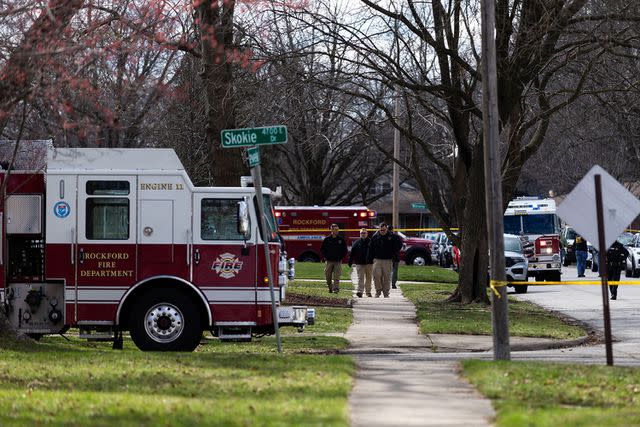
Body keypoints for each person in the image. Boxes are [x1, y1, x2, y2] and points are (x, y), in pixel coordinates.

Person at [367, 222, 400, 298]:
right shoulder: (375, 237)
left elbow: (397, 246)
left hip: (387, 260)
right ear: (379, 229)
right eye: (381, 230)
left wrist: (394, 256)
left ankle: (386, 293)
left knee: (386, 277)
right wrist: (369, 259)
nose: (382, 231)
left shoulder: (392, 237)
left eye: (384, 230)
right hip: (377, 260)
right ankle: (378, 292)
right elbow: (370, 249)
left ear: (386, 229)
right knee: (376, 276)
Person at [321, 223, 348, 293]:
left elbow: (345, 250)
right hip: (329, 261)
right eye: (335, 230)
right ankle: (330, 286)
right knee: (328, 276)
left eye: (337, 229)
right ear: (331, 230)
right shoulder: (327, 239)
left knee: (337, 276)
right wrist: (325, 257)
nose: (337, 231)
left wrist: (341, 257)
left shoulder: (341, 240)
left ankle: (336, 289)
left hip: (338, 261)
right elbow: (322, 250)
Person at [348, 228, 373, 298]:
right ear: (360, 234)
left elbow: (374, 252)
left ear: (367, 234)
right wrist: (350, 261)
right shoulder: (356, 242)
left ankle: (368, 292)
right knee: (360, 278)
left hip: (369, 264)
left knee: (368, 278)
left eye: (364, 233)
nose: (363, 234)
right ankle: (360, 291)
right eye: (361, 233)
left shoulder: (371, 242)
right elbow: (352, 253)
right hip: (359, 263)